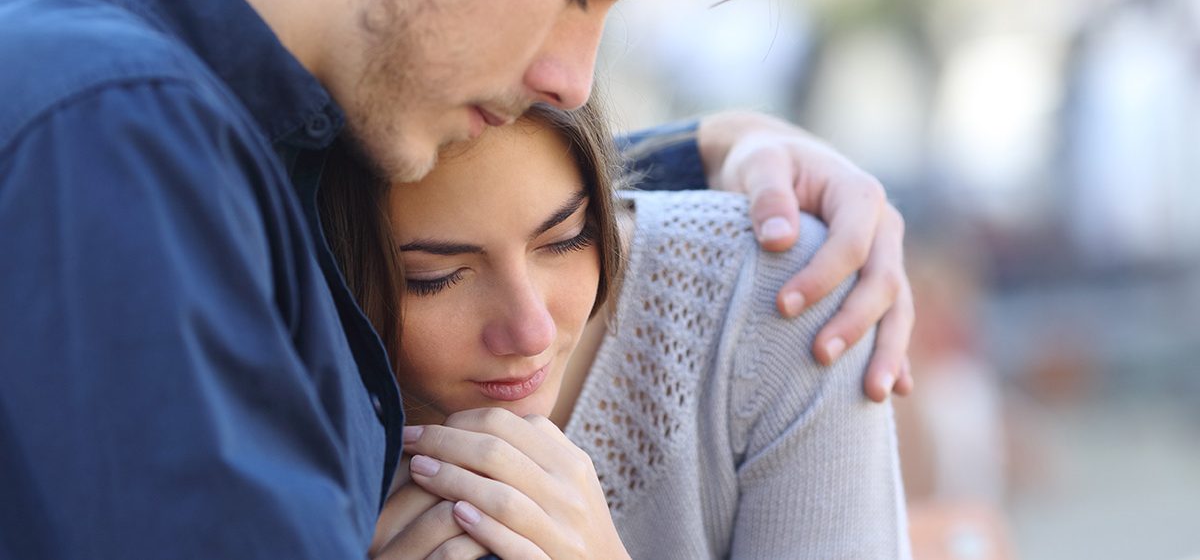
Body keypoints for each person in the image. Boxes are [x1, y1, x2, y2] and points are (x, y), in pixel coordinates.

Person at [0, 0, 911, 557]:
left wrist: (708, 152)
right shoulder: (116, 139)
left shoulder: (179, 112)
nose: (572, 78)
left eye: (568, 235)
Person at [331, 99, 910, 559]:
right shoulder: (278, 379)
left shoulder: (775, 300)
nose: (531, 332)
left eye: (567, 238)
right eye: (434, 278)